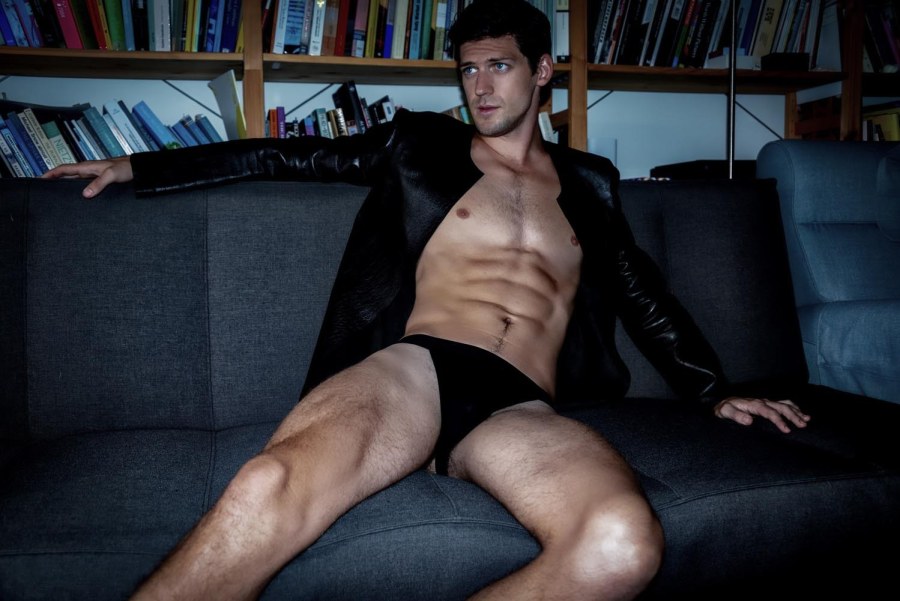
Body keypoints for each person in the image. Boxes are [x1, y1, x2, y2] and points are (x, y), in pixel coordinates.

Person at [43, 1, 810, 598]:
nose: (480, 86)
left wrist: (716, 391)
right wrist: (142, 168)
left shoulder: (590, 183)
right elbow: (287, 153)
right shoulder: (419, 146)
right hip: (415, 371)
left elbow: (644, 295)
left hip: (520, 406)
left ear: (543, 70)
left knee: (620, 543)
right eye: (469, 70)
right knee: (265, 485)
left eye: (499, 67)